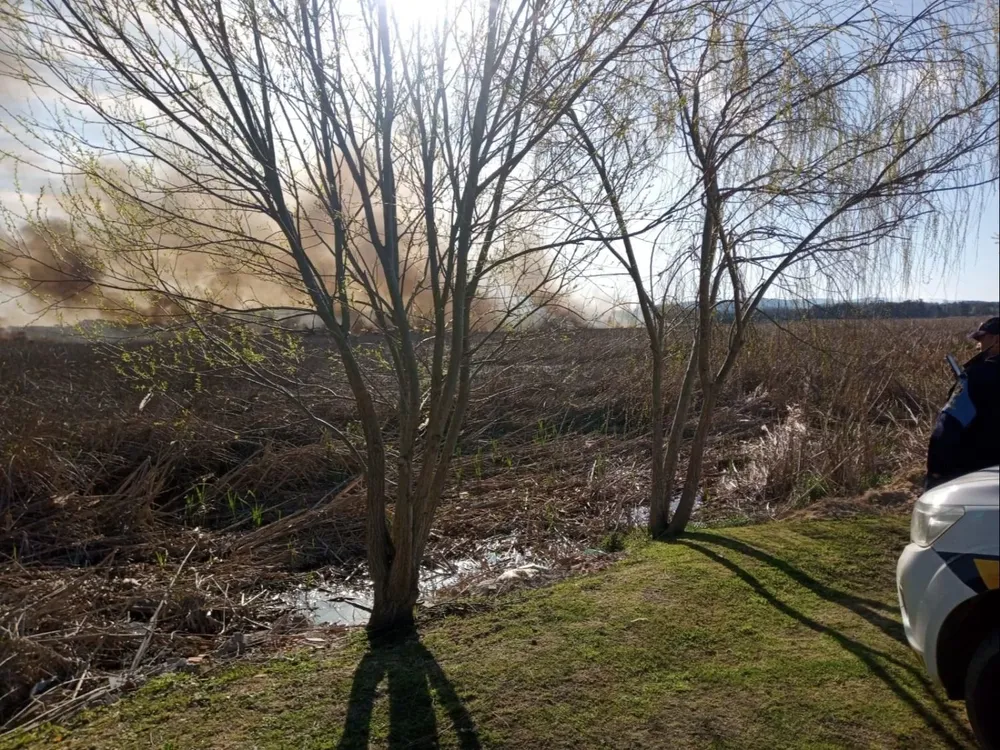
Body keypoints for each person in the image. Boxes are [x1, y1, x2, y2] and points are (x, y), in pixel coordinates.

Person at [926, 316, 1000, 489]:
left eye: (982, 338)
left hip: (979, 478)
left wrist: (936, 472)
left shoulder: (975, 378)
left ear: (996, 340)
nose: (978, 345)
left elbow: (946, 428)